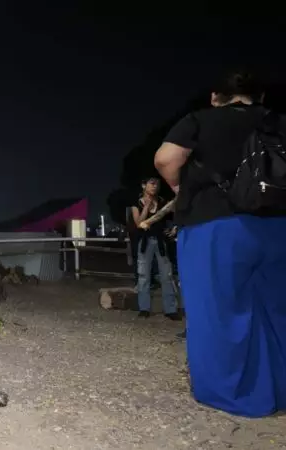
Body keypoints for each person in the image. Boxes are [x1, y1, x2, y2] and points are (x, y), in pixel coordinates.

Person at [154, 70, 286, 417]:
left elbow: (166, 159)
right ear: (260, 98)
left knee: (218, 310)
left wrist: (181, 189)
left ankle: (233, 393)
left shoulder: (201, 119)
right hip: (277, 225)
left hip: (215, 224)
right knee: (276, 308)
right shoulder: (277, 121)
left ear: (216, 97)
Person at [130, 177, 180, 320]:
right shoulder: (136, 203)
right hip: (144, 242)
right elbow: (139, 222)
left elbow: (173, 214)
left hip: (161, 241)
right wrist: (147, 205)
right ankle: (144, 308)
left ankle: (170, 309)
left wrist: (174, 228)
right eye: (151, 184)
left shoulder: (163, 201)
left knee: (167, 275)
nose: (154, 186)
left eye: (156, 184)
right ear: (143, 185)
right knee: (144, 276)